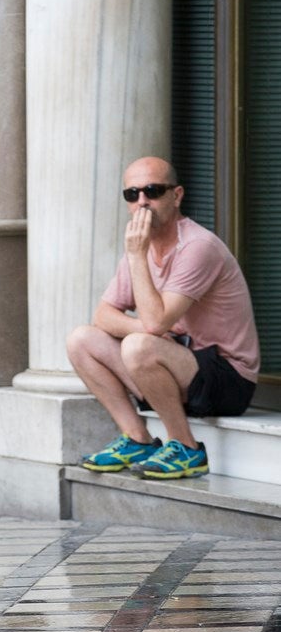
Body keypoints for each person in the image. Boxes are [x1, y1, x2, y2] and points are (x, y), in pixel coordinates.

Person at [66, 156, 259, 479]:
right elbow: (104, 315)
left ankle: (187, 448)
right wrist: (146, 329)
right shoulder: (139, 250)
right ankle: (138, 439)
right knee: (82, 340)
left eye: (153, 191)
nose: (142, 202)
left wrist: (138, 259)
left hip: (228, 379)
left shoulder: (197, 247)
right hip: (177, 367)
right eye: (132, 194)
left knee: (139, 346)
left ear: (177, 195)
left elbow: (156, 324)